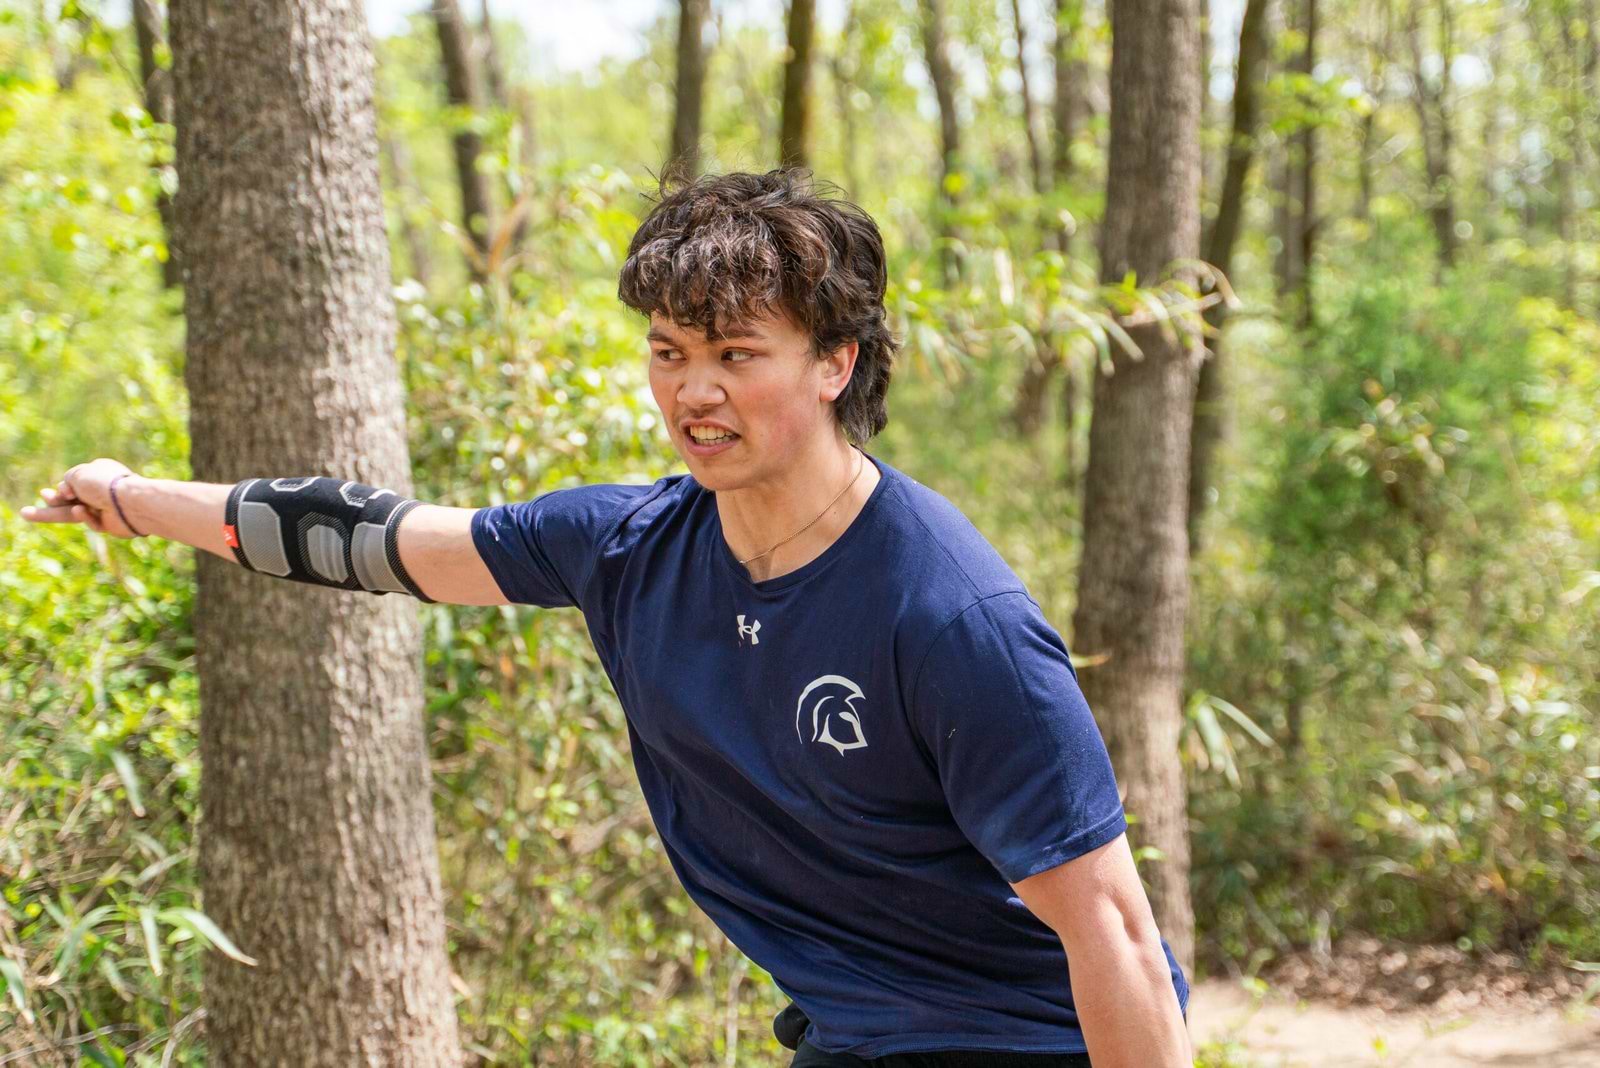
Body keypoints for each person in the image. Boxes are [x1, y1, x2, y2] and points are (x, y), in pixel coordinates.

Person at [22, 169, 1192, 1067]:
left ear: (835, 363)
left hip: (1021, 1038)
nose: (694, 390)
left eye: (737, 354)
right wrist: (134, 497)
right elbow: (374, 539)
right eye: (669, 352)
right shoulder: (627, 549)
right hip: (851, 1033)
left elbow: (1116, 934)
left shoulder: (949, 615)